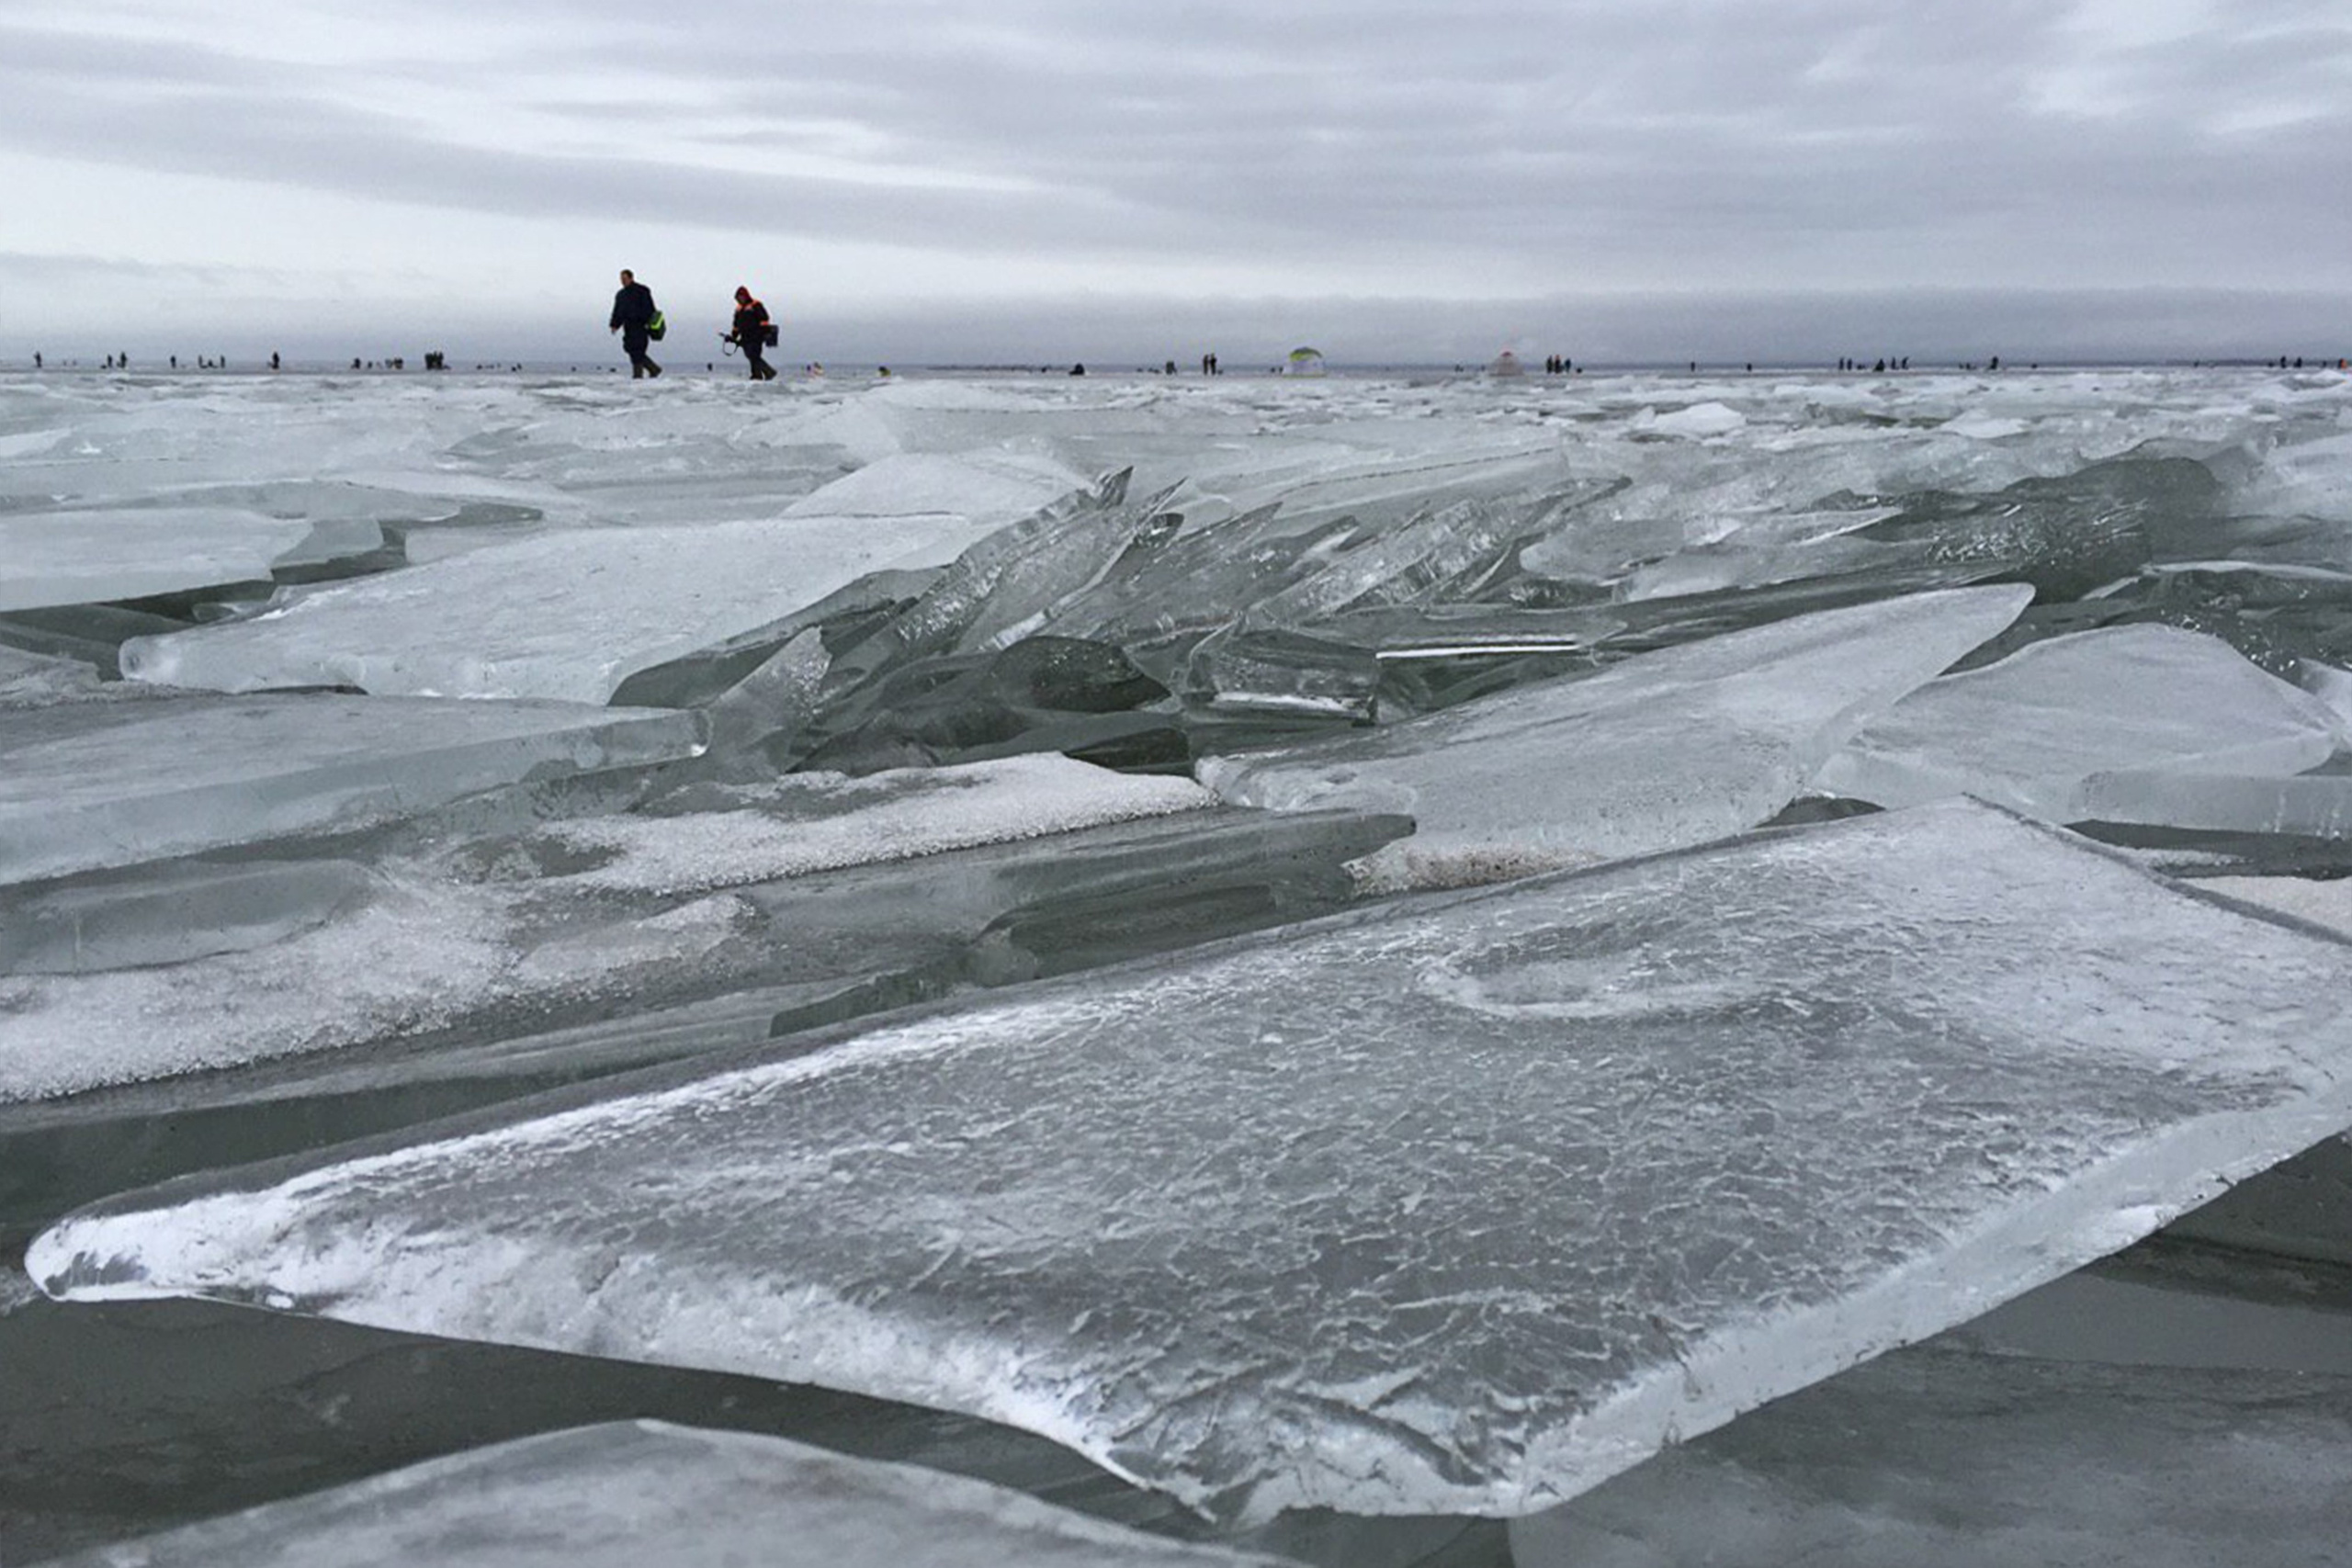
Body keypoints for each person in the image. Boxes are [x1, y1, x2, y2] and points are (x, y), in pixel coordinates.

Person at [609, 268, 662, 378]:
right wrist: (614, 325)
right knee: (630, 348)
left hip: (641, 325)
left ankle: (638, 376)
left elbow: (650, 308)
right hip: (628, 326)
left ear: (631, 278)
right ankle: (653, 369)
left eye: (625, 279)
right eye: (621, 279)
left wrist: (647, 322)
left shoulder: (642, 290)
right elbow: (617, 311)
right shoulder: (621, 294)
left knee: (638, 349)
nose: (623, 281)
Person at [726, 286, 777, 380]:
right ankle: (758, 375)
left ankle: (767, 372)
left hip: (756, 335)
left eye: (741, 297)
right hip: (745, 336)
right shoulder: (739, 309)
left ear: (745, 296)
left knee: (754, 355)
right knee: (750, 355)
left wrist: (764, 332)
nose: (739, 300)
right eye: (738, 298)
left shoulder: (755, 305)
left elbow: (764, 318)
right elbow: (736, 324)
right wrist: (734, 335)